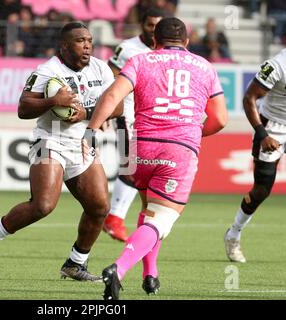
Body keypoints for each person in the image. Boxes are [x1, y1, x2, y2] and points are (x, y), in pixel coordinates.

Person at [83, 17, 227, 299]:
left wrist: (91, 131)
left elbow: (112, 95)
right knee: (161, 220)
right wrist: (193, 135)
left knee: (150, 212)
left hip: (140, 149)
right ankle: (119, 269)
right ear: (187, 42)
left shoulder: (140, 61)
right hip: (178, 150)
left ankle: (151, 273)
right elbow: (220, 119)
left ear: (153, 41)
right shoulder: (206, 67)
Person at [0, 22, 122, 282]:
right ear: (64, 46)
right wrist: (53, 101)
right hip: (49, 140)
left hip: (82, 144)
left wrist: (85, 113)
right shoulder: (48, 71)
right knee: (42, 205)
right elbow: (23, 109)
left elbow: (117, 106)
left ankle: (75, 263)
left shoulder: (100, 68)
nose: (87, 45)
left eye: (88, 40)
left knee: (99, 207)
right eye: (79, 41)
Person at [105, 8, 166, 244]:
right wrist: (111, 109)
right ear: (142, 25)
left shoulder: (167, 50)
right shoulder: (128, 48)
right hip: (128, 115)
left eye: (157, 26)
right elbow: (110, 77)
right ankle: (114, 219)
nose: (153, 30)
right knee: (132, 166)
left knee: (140, 169)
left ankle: (117, 218)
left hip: (152, 118)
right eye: (150, 25)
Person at [224, 48, 286, 263]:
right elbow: (249, 98)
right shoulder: (278, 65)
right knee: (262, 190)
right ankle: (234, 234)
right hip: (274, 127)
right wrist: (263, 135)